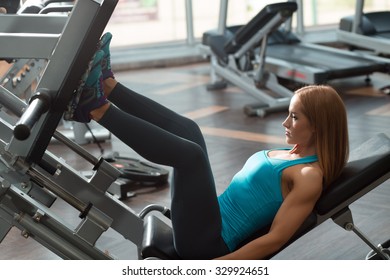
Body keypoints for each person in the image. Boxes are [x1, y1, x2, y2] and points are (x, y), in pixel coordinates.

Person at [67, 32, 349, 260]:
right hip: (206, 221)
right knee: (190, 131)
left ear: (319, 126)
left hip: (207, 245)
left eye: (295, 117)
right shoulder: (291, 154)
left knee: (191, 156)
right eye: (288, 113)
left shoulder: (308, 176)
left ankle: (95, 108)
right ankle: (108, 85)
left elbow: (273, 240)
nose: (285, 122)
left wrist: (211, 270)